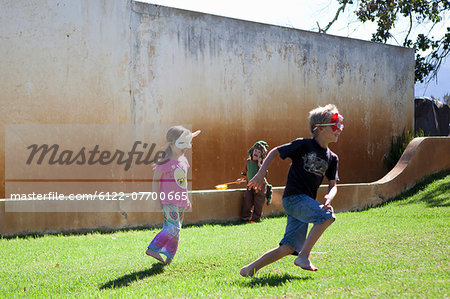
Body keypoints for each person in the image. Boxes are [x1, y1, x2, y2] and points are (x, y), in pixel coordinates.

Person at [240, 104, 343, 276]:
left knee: (288, 247)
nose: (338, 129)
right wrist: (260, 174)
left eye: (340, 126)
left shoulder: (333, 158)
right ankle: (304, 256)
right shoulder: (303, 145)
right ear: (319, 129)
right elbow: (274, 152)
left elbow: (333, 185)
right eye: (334, 126)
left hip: (302, 203)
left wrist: (329, 198)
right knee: (326, 217)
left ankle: (249, 269)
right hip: (294, 198)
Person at [145, 126, 200, 265]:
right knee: (173, 228)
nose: (186, 147)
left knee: (176, 231)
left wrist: (186, 199)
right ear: (171, 144)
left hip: (180, 202)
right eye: (182, 143)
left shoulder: (184, 161)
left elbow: (183, 183)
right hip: (169, 201)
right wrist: (156, 200)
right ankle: (153, 249)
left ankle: (169, 258)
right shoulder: (166, 162)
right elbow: (155, 181)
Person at [239, 141, 272, 222]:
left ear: (261, 155)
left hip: (260, 186)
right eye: (255, 151)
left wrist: (259, 164)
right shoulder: (248, 161)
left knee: (258, 203)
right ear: (252, 151)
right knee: (247, 199)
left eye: (259, 152)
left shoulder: (261, 164)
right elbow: (245, 172)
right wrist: (241, 179)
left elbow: (264, 173)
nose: (256, 153)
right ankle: (245, 217)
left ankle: (256, 219)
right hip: (250, 186)